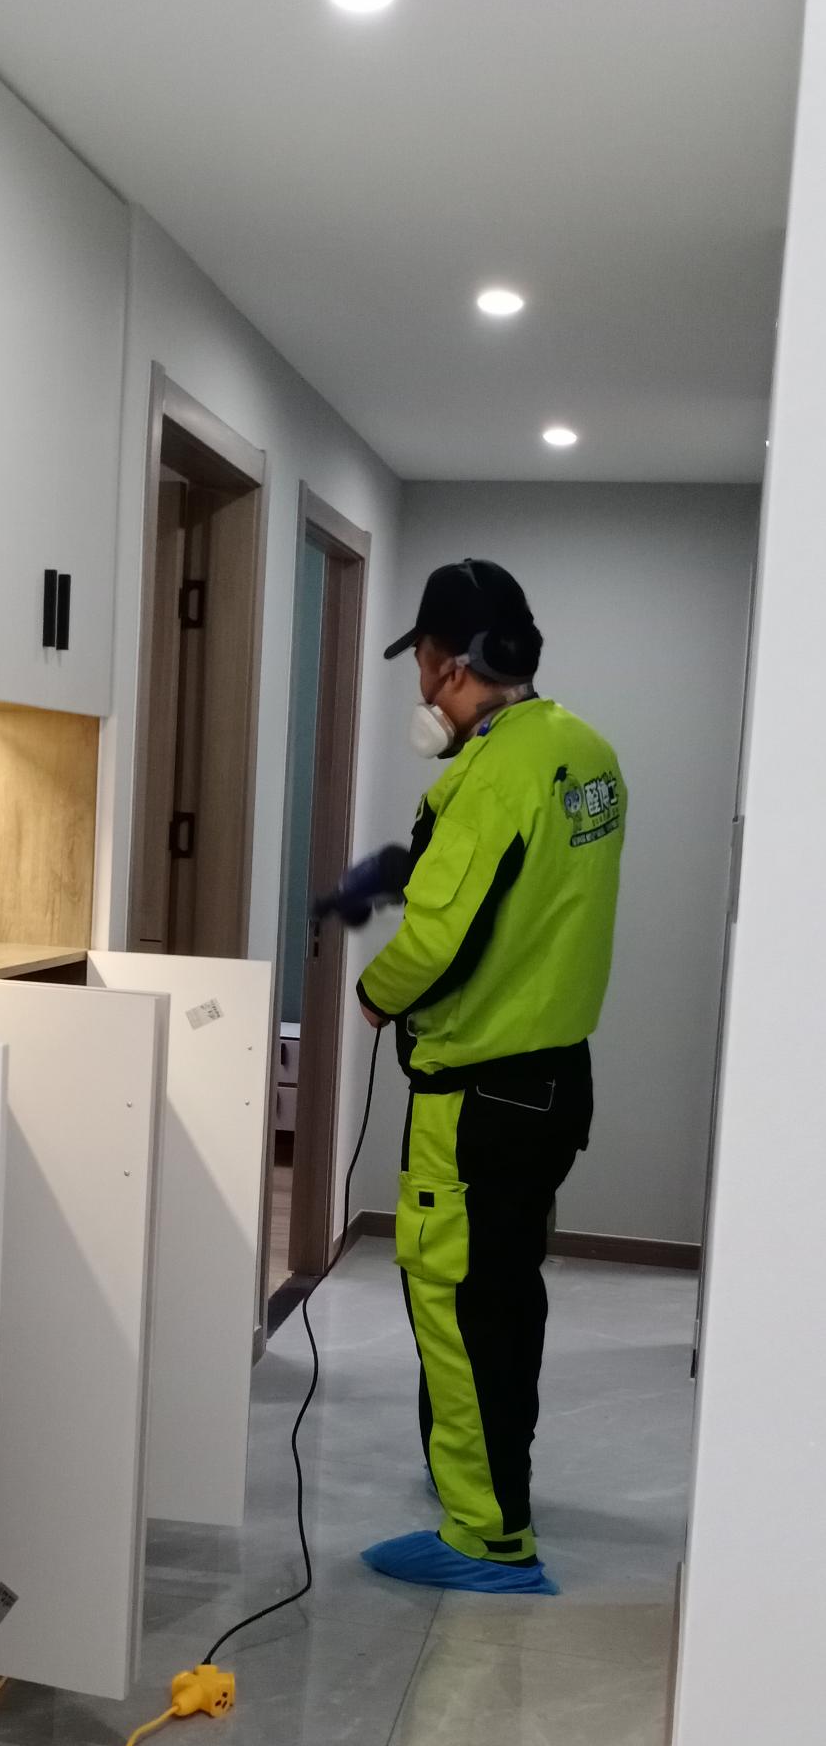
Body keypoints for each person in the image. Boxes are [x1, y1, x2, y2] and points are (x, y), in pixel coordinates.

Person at [355, 557, 626, 1594]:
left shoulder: (491, 775)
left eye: (424, 662)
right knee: (508, 1298)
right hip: (556, 1079)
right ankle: (493, 1485)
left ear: (452, 663)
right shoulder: (587, 752)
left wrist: (375, 992)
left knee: (459, 1302)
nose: (422, 684)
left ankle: (488, 1535)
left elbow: (441, 934)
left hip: (477, 1094)